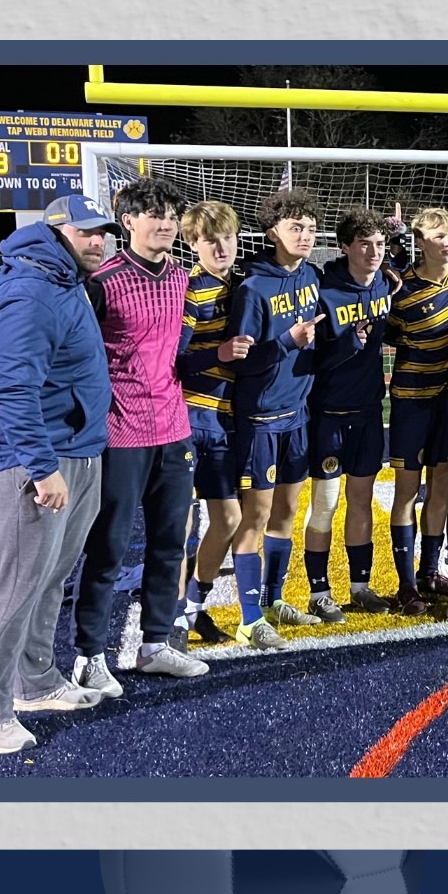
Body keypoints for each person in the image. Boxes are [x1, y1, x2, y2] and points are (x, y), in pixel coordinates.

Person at [0, 195, 119, 754]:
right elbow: (11, 387)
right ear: (57, 233)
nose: (98, 241)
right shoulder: (32, 290)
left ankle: (36, 682)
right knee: (19, 585)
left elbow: (10, 369)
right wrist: (41, 466)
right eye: (86, 234)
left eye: (102, 233)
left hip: (76, 448)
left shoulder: (61, 280)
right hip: (42, 460)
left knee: (51, 577)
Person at [54, 179, 211, 701]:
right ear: (129, 222)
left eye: (169, 214)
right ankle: (89, 656)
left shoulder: (183, 279)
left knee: (171, 544)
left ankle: (154, 644)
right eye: (151, 214)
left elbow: (173, 358)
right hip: (120, 434)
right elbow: (66, 348)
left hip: (174, 428)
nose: (163, 222)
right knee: (109, 547)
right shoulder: (100, 280)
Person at [226, 189, 329, 649]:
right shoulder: (252, 288)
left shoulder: (312, 275)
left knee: (287, 511)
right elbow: (240, 362)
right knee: (256, 516)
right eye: (295, 227)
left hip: (298, 415)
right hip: (261, 419)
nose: (305, 235)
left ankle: (272, 600)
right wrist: (287, 341)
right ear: (273, 233)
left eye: (309, 227)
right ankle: (249, 618)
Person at [300, 209, 398, 620]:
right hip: (328, 413)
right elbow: (307, 359)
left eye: (380, 244)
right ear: (344, 247)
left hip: (369, 411)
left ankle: (360, 586)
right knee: (324, 502)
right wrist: (345, 344)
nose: (374, 252)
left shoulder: (386, 284)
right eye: (364, 244)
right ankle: (319, 592)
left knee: (362, 500)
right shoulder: (323, 289)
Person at [381, 207, 448, 616]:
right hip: (413, 400)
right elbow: (387, 334)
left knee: (442, 488)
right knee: (406, 491)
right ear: (421, 243)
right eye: (437, 237)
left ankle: (430, 570)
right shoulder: (400, 289)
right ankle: (404, 584)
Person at [173, 201, 247, 647]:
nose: (220, 247)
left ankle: (193, 605)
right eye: (209, 239)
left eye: (227, 237)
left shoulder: (245, 285)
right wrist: (217, 355)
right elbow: (173, 361)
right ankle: (171, 619)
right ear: (192, 243)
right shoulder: (189, 290)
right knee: (178, 527)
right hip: (186, 419)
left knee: (229, 517)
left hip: (224, 423)